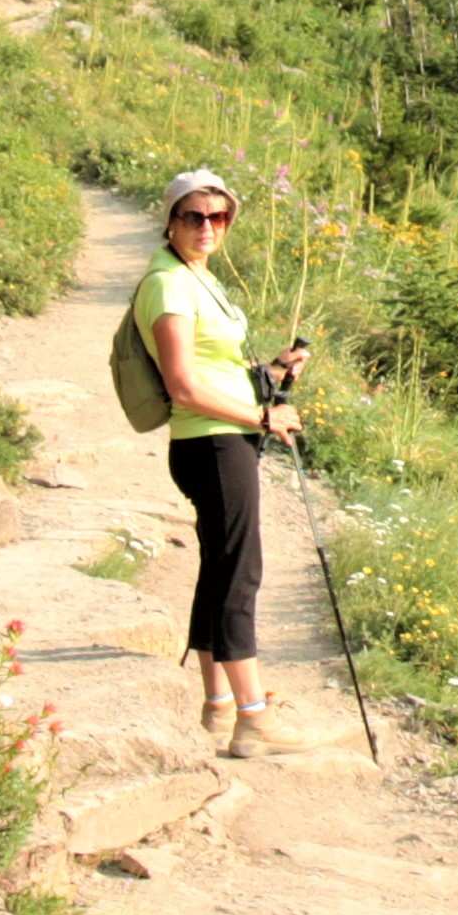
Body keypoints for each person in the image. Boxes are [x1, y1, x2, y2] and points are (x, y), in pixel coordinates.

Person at [135, 167, 316, 757]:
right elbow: (183, 387)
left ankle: (217, 707)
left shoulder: (194, 276)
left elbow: (213, 370)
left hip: (217, 439)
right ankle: (254, 718)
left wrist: (270, 372)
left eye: (218, 217)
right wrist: (264, 417)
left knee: (220, 567)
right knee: (242, 572)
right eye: (194, 216)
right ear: (170, 220)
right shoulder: (169, 286)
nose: (208, 227)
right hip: (211, 442)